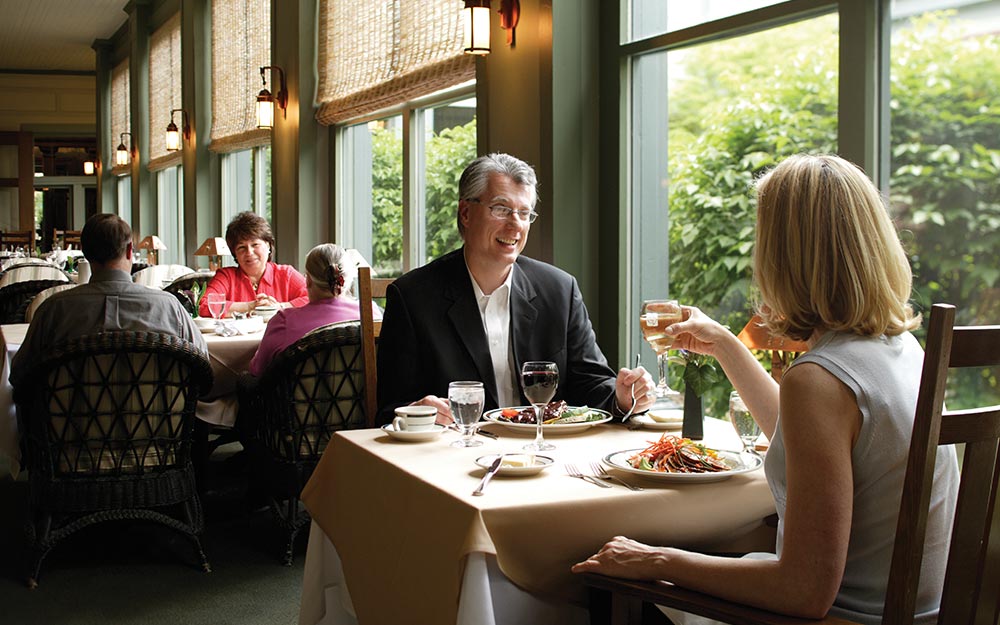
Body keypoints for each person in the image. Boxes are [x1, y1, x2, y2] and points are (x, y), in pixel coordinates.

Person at [572, 154, 960, 624]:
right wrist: (726, 345)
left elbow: (803, 591)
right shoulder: (902, 349)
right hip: (922, 614)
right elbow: (813, 443)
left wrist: (657, 560)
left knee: (611, 589)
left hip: (837, 618)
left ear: (785, 255)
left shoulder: (820, 378)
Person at [376, 153, 655, 426]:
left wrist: (623, 398)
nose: (516, 224)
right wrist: (417, 411)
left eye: (524, 213)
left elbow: (591, 382)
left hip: (547, 454)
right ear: (465, 213)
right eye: (501, 209)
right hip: (455, 457)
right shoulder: (413, 297)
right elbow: (390, 410)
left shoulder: (559, 290)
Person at [11, 214, 207, 388]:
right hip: (161, 425)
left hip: (69, 426)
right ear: (130, 250)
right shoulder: (169, 307)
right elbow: (204, 366)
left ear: (85, 253)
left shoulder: (54, 309)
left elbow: (18, 375)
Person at [248, 243, 382, 376]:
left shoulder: (284, 322)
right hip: (361, 396)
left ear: (308, 280)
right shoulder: (370, 313)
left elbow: (257, 370)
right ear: (347, 279)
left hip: (297, 397)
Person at [199, 211, 308, 317]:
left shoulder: (286, 274)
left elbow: (315, 299)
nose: (249, 253)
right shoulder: (226, 276)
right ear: (235, 253)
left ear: (268, 245)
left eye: (255, 244)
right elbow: (204, 305)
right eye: (241, 247)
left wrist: (279, 307)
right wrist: (250, 306)